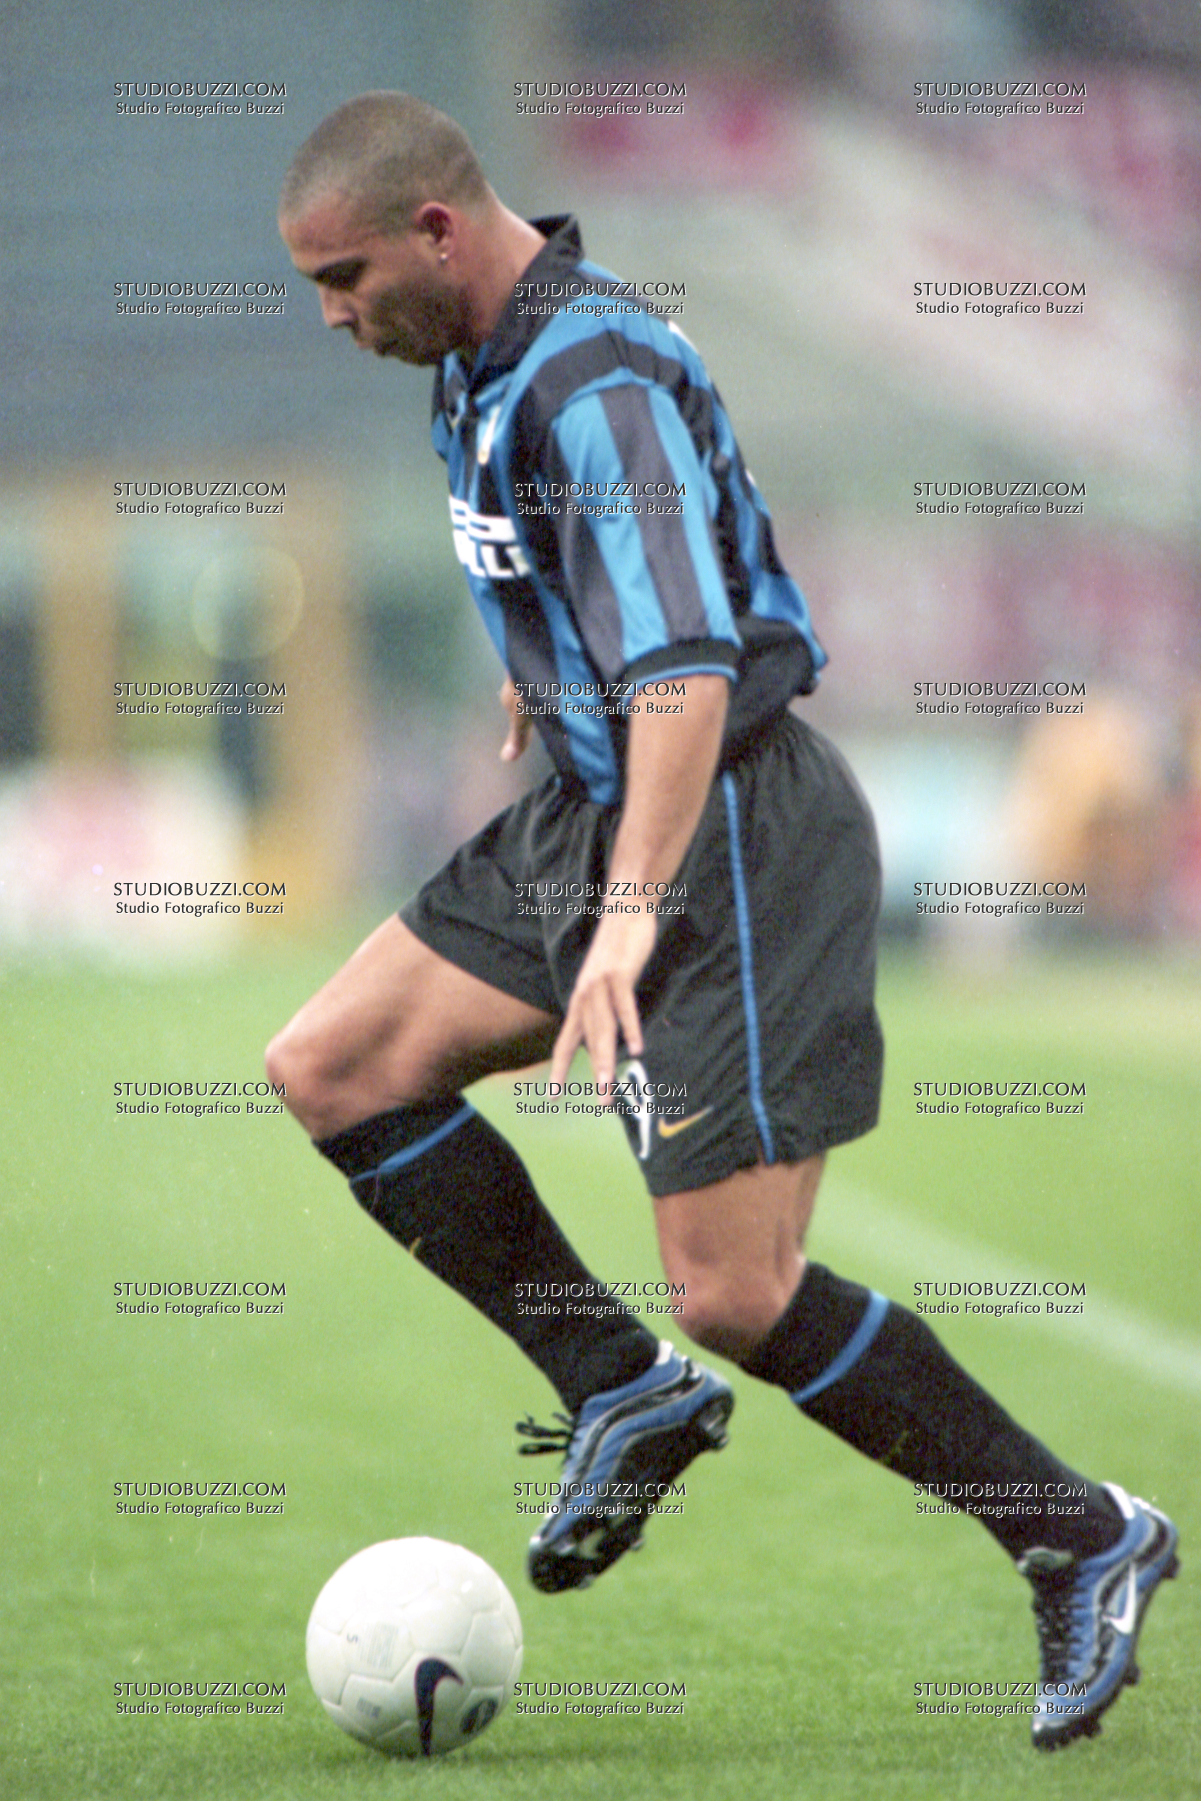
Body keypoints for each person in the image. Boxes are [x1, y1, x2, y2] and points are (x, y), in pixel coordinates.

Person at [271, 92, 1176, 1751]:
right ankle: (613, 1386)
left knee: (739, 1294)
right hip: (594, 808)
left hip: (730, 834)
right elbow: (602, 590)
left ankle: (1079, 1533)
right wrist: (541, 665)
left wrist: (627, 919)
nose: (332, 315)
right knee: (335, 1066)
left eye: (344, 278)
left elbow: (687, 672)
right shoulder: (475, 354)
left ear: (436, 231)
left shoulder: (589, 377)